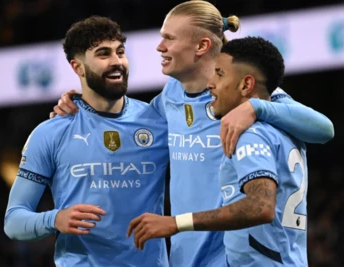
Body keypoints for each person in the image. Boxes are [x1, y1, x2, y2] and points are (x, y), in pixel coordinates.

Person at [51, 1, 334, 266]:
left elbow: (324, 129)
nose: (159, 47)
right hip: (186, 256)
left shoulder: (244, 98)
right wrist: (84, 104)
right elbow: (128, 125)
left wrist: (256, 108)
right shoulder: (171, 95)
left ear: (202, 45)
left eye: (169, 38)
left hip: (235, 255)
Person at [3, 16, 170, 267]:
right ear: (77, 67)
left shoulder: (158, 122)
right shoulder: (50, 133)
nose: (117, 62)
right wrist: (55, 219)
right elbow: (13, 221)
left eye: (120, 52)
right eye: (103, 54)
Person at [128, 36, 308, 267]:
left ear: (246, 85)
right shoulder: (287, 127)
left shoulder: (249, 134)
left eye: (220, 74)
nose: (211, 83)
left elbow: (260, 207)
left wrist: (175, 222)